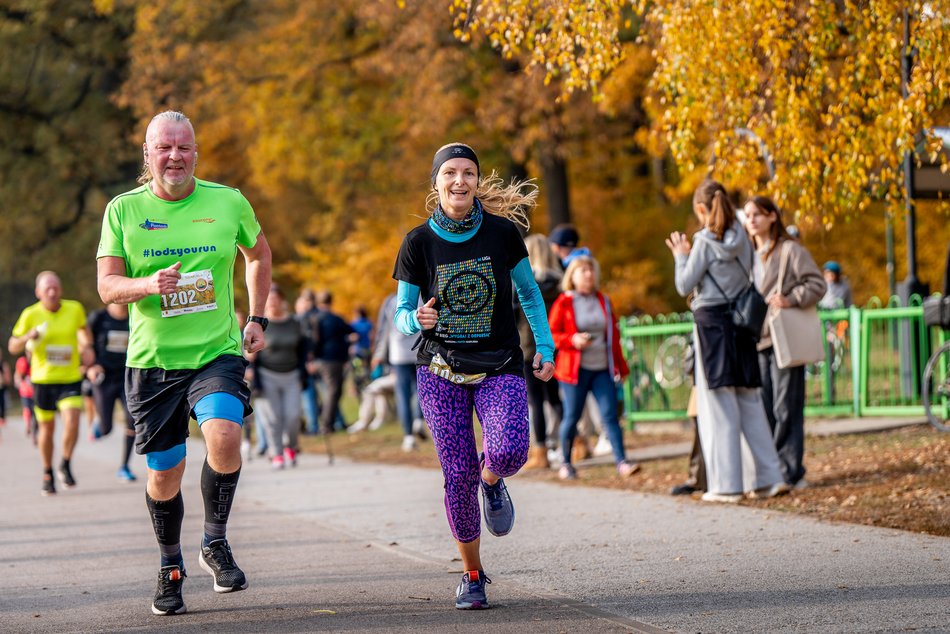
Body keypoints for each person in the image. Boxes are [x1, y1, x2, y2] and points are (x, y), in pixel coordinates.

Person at [96, 110, 272, 616]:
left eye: (184, 147)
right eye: (164, 148)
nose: (175, 156)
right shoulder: (123, 211)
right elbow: (107, 287)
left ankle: (214, 542)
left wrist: (257, 316)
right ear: (147, 155)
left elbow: (257, 254)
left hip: (214, 353)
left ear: (196, 152)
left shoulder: (227, 201)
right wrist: (147, 285)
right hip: (151, 363)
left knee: (224, 433)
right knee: (164, 474)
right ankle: (170, 565)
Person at [393, 142, 555, 610]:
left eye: (467, 173)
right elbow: (402, 312)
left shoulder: (503, 234)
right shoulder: (417, 242)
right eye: (450, 173)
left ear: (477, 180)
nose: (459, 181)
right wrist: (414, 320)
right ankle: (472, 574)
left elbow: (528, 295)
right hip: (440, 370)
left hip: (499, 362)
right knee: (455, 475)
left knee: (508, 449)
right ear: (436, 183)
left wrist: (544, 346)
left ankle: (492, 480)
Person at [665, 179, 788, 503]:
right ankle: (768, 478)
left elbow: (683, 284)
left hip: (712, 327)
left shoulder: (703, 241)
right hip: (742, 325)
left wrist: (681, 255)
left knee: (718, 406)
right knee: (749, 402)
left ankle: (727, 485)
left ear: (702, 209)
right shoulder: (745, 239)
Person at [745, 196, 826, 488]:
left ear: (772, 217)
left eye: (757, 214)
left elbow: (818, 284)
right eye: (747, 215)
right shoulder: (746, 253)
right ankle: (771, 471)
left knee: (786, 407)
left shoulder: (790, 250)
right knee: (764, 408)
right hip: (756, 340)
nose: (751, 220)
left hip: (783, 338)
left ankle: (791, 471)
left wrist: (790, 299)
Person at [548, 255, 638, 480]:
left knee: (610, 416)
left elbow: (614, 336)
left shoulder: (603, 300)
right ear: (573, 276)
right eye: (583, 270)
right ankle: (566, 463)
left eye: (591, 270)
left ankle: (622, 462)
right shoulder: (565, 302)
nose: (588, 274)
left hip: (602, 369)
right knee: (572, 416)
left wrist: (621, 367)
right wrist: (573, 340)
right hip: (574, 370)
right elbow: (551, 335)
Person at [9, 271, 94, 496]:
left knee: (73, 420)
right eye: (47, 288)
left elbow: (84, 333)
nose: (52, 291)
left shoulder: (74, 309)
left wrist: (86, 348)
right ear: (38, 292)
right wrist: (28, 337)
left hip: (69, 378)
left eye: (55, 287)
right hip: (43, 380)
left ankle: (65, 462)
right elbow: (13, 346)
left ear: (61, 289)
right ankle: (47, 472)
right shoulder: (30, 314)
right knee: (46, 429)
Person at [248, 285, 307, 470]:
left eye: (275, 299)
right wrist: (249, 362)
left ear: (282, 300)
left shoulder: (294, 322)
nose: (272, 303)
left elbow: (304, 346)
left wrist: (309, 362)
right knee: (272, 417)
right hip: (267, 375)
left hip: (291, 374)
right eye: (269, 300)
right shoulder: (260, 324)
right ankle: (276, 452)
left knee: (293, 416)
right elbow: (248, 348)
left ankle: (291, 446)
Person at [517, 233, 563, 469]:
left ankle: (541, 451)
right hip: (557, 346)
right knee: (556, 398)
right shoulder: (561, 283)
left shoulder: (523, 284)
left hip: (528, 347)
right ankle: (574, 442)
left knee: (536, 401)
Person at [366, 292, 425, 451]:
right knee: (421, 389)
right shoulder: (425, 296)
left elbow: (383, 331)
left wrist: (378, 355)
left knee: (402, 395)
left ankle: (408, 437)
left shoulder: (391, 301)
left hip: (398, 354)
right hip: (422, 352)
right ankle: (419, 420)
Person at [86, 303, 138, 482]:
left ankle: (124, 466)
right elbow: (85, 345)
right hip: (103, 378)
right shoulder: (98, 318)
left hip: (127, 376)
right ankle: (100, 426)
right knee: (106, 428)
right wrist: (90, 367)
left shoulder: (136, 314)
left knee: (132, 419)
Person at [305, 290, 354, 434]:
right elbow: (351, 332)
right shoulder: (336, 318)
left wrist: (311, 359)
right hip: (333, 360)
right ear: (331, 302)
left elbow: (312, 341)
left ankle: (328, 422)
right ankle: (326, 424)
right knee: (333, 392)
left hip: (318, 360)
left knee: (326, 392)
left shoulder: (313, 318)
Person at [14, 351, 36, 442]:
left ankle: (35, 435)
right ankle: (27, 425)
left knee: (36, 415)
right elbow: (17, 374)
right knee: (27, 409)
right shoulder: (22, 361)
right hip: (25, 392)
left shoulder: (37, 361)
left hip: (35, 393)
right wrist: (18, 382)